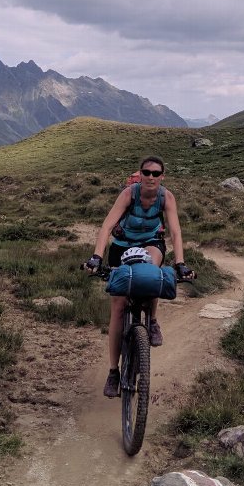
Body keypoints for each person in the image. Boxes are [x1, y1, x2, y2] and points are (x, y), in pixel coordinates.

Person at [84, 155, 194, 398]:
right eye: (147, 172)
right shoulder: (128, 195)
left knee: (152, 274)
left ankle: (151, 321)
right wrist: (96, 256)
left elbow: (175, 232)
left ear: (162, 176)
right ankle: (113, 371)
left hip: (150, 243)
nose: (151, 177)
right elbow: (106, 226)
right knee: (119, 307)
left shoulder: (167, 197)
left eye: (156, 173)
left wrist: (181, 263)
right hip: (122, 245)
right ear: (140, 174)